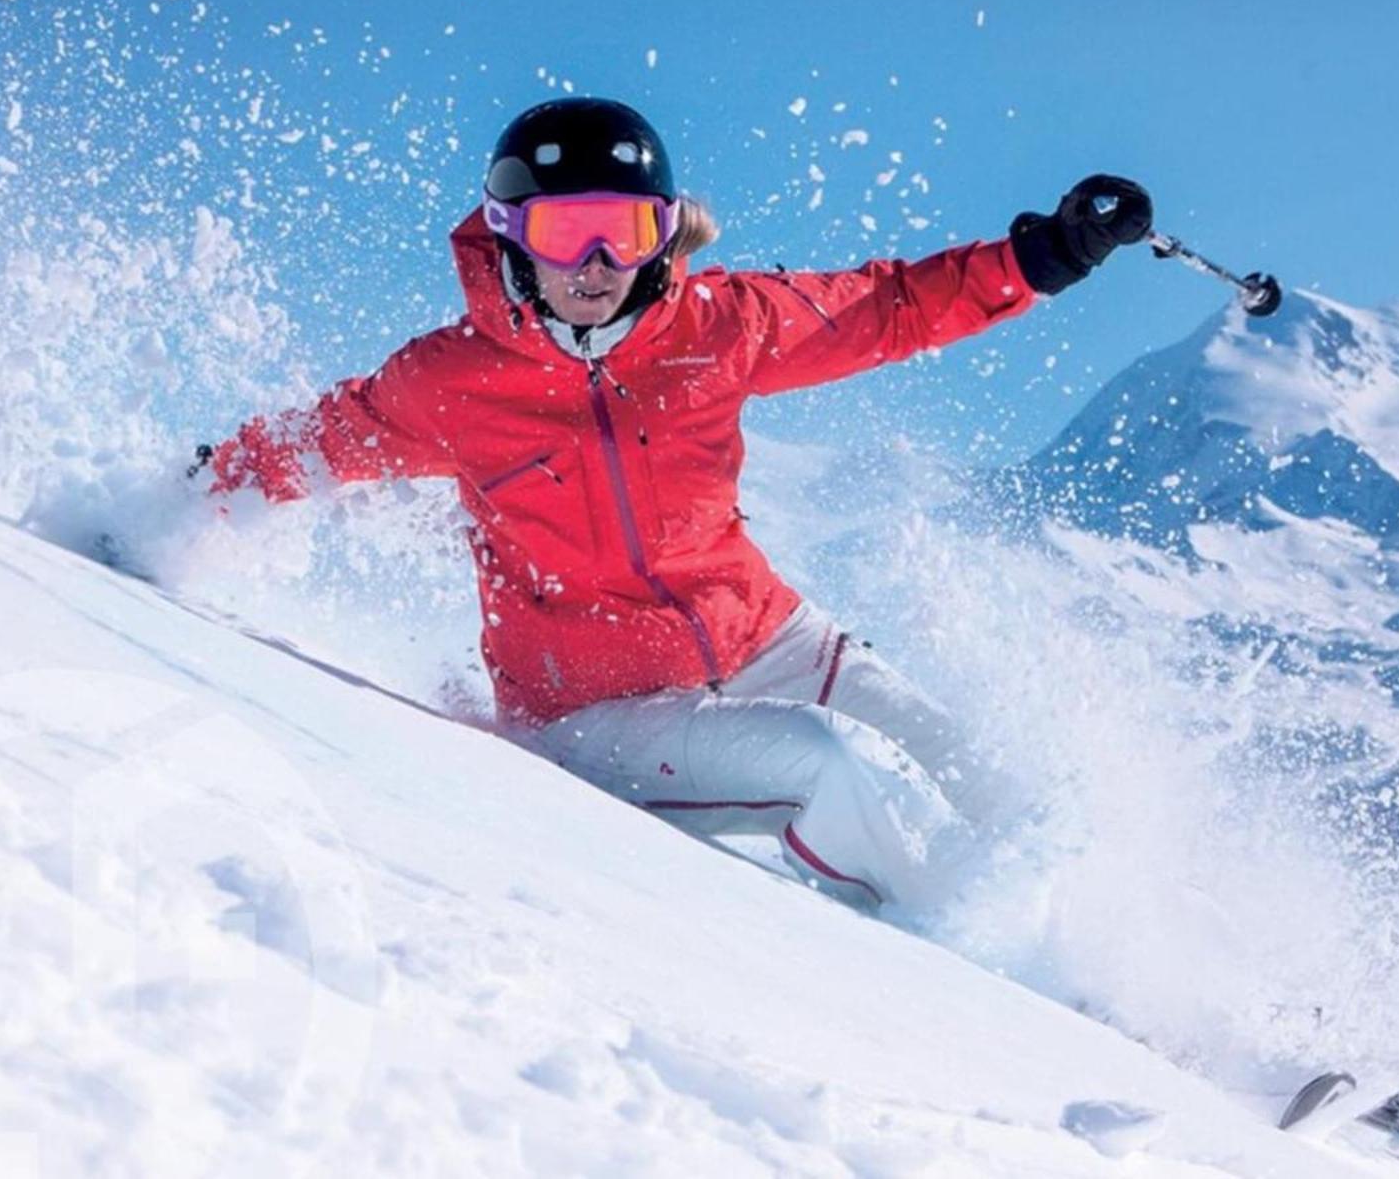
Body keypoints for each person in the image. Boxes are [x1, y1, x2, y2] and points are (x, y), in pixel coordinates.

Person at [201, 96, 1152, 909]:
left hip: (769, 638)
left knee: (991, 781)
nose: (600, 261)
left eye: (628, 228)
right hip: (598, 710)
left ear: (663, 229)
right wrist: (178, 499)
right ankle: (1015, 983)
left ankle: (1164, 1005)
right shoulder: (454, 381)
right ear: (509, 236)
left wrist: (1046, 254)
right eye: (565, 231)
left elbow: (884, 307)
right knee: (836, 767)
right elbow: (323, 441)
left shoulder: (718, 327)